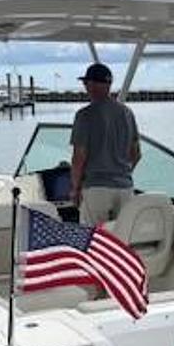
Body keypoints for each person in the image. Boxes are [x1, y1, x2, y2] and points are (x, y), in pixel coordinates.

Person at [69, 62, 141, 226]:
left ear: (93, 84)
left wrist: (75, 189)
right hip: (125, 189)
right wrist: (122, 172)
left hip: (96, 188)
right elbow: (136, 153)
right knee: (121, 239)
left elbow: (79, 156)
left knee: (93, 240)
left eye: (86, 83)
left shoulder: (84, 115)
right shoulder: (127, 113)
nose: (85, 87)